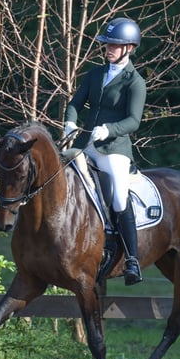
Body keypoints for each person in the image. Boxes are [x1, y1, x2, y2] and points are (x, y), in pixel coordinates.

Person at [64, 16, 146, 286]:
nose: (108, 48)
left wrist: (109, 129)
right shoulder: (95, 73)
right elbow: (76, 102)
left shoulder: (135, 82)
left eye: (114, 45)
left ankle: (132, 259)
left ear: (129, 48)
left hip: (114, 149)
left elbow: (134, 121)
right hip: (84, 144)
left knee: (120, 198)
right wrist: (70, 122)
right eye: (107, 44)